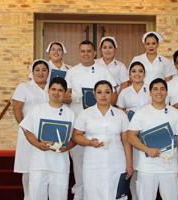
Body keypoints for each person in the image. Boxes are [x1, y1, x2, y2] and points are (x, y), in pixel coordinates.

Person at [64, 40, 118, 200]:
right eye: (83, 51)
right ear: (79, 53)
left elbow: (113, 94)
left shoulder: (103, 70)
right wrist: (67, 98)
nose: (86, 54)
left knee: (102, 156)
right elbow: (66, 95)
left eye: (89, 51)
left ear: (94, 53)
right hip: (78, 120)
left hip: (100, 121)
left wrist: (106, 112)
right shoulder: (72, 72)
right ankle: (80, 194)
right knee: (79, 160)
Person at [72, 80, 133, 200]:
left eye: (107, 92)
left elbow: (126, 142)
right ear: (94, 94)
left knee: (116, 192)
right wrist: (89, 142)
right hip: (93, 161)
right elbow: (76, 136)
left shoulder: (120, 115)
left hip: (117, 161)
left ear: (112, 94)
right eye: (99, 92)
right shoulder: (85, 114)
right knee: (94, 193)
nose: (103, 95)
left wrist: (129, 164)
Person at [128, 78, 178, 200]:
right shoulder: (141, 112)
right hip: (147, 167)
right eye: (155, 89)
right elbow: (131, 136)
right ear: (150, 92)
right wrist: (147, 150)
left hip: (170, 167)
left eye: (162, 89)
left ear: (166, 92)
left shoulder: (175, 113)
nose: (159, 92)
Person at [19, 77, 76, 200]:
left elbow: (75, 137)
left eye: (60, 90)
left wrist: (65, 147)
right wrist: (38, 144)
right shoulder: (38, 109)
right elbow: (27, 130)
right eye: (54, 89)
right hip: (40, 162)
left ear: (65, 92)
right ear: (48, 91)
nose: (56, 92)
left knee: (59, 196)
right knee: (36, 196)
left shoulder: (69, 113)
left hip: (59, 164)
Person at [12, 59, 50, 200]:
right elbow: (17, 108)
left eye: (44, 70)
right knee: (28, 168)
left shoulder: (52, 87)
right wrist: (25, 128)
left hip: (47, 133)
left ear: (48, 72)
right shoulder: (24, 87)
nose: (40, 73)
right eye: (37, 70)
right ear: (32, 72)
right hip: (28, 132)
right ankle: (28, 197)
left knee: (45, 167)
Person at [116, 61, 151, 200]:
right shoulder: (124, 92)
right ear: (129, 75)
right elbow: (118, 111)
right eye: (134, 71)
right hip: (130, 133)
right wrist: (125, 112)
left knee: (143, 166)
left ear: (145, 74)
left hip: (146, 133)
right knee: (132, 166)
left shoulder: (150, 90)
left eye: (140, 71)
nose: (137, 74)